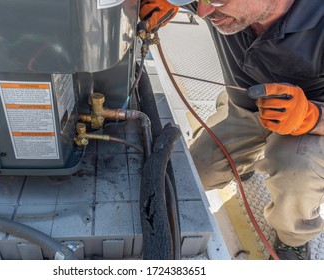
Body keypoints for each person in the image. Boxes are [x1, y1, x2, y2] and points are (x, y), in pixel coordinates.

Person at [139, 0, 324, 260]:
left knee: (296, 170)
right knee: (194, 175)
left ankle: (292, 239)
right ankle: (246, 161)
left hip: (311, 127)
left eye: (217, 0)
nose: (202, 11)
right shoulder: (219, 7)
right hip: (245, 110)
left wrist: (311, 117)